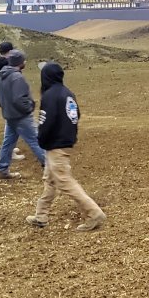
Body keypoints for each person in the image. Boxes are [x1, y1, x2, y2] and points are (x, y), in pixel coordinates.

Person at [25, 62, 107, 231]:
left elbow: (46, 123)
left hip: (56, 145)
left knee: (64, 181)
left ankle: (94, 213)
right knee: (50, 180)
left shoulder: (49, 96)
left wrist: (42, 140)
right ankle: (41, 216)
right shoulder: (68, 93)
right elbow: (76, 115)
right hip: (65, 142)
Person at [0, 50, 47, 180]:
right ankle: (51, 168)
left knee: (8, 143)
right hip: (21, 116)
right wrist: (29, 107)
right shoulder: (17, 77)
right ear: (19, 62)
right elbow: (19, 99)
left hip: (10, 115)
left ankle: (2, 169)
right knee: (36, 140)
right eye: (23, 60)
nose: (25, 62)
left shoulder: (3, 74)